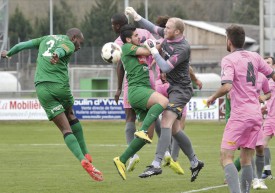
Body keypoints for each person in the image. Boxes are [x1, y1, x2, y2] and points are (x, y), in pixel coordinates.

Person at [1, 28, 103, 182]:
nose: (80, 47)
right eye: (79, 42)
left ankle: (82, 159)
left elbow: (22, 45)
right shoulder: (67, 42)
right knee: (70, 115)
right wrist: (57, 55)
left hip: (42, 88)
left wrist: (8, 53)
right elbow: (62, 49)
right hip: (59, 86)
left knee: (65, 129)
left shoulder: (44, 39)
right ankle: (86, 153)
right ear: (74, 37)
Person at [125, 7, 204, 182]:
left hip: (181, 90)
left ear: (177, 31)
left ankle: (156, 163)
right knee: (175, 129)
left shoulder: (182, 48)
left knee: (167, 122)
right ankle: (195, 161)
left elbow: (167, 67)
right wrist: (136, 16)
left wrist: (153, 50)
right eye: (165, 27)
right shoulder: (168, 35)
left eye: (168, 28)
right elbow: (152, 26)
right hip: (173, 88)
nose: (164, 30)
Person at [206, 24, 275, 193]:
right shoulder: (255, 56)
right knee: (245, 159)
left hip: (240, 115)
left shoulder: (229, 59)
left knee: (226, 157)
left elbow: (227, 86)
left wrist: (213, 97)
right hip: (256, 114)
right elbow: (272, 74)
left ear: (229, 41)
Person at [113, 24, 169, 180]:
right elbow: (148, 50)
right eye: (136, 35)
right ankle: (142, 129)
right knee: (163, 101)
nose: (140, 37)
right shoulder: (126, 48)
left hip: (144, 90)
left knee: (148, 137)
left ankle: (121, 159)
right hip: (137, 91)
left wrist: (162, 40)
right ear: (128, 39)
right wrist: (158, 42)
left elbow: (152, 48)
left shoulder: (138, 45)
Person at [262, 56, 275, 180]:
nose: (266, 65)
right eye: (264, 63)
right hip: (270, 117)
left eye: (268, 63)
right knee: (262, 144)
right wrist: (265, 108)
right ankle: (267, 171)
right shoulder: (267, 81)